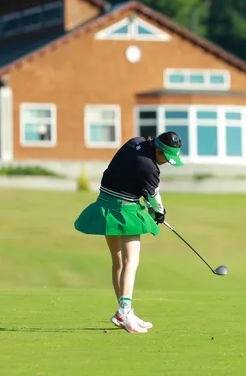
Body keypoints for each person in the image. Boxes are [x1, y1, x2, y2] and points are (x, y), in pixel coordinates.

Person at [74, 131, 184, 334]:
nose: (167, 162)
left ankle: (125, 312)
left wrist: (150, 206)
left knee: (118, 262)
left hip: (105, 205)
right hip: (125, 211)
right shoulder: (150, 168)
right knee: (130, 261)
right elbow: (154, 198)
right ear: (159, 150)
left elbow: (128, 175)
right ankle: (123, 312)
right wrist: (159, 213)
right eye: (166, 157)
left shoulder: (135, 142)